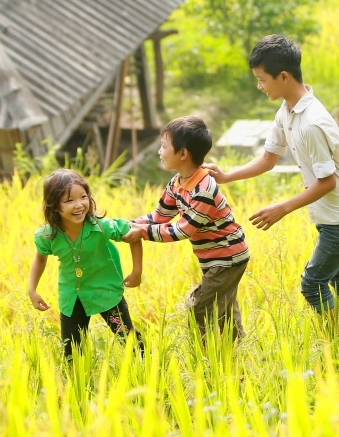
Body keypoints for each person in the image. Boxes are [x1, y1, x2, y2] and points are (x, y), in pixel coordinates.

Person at [204, 35, 339, 330]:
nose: (259, 86)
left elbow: (327, 182)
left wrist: (282, 208)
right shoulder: (287, 110)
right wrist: (227, 175)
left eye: (261, 79)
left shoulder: (313, 122)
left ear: (283, 76)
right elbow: (268, 159)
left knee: (313, 283)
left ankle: (337, 344)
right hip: (337, 214)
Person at [123, 116, 250, 341]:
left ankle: (205, 357)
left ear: (183, 154)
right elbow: (159, 216)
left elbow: (184, 230)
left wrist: (142, 232)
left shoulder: (204, 188)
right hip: (215, 258)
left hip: (227, 257)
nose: (159, 152)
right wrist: (127, 224)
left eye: (163, 147)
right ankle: (236, 355)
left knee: (198, 307)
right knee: (224, 310)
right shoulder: (178, 182)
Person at [28, 169, 144, 358]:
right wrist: (32, 289)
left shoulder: (101, 227)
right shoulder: (48, 236)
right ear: (54, 206)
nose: (79, 205)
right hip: (72, 298)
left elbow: (135, 234)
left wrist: (137, 271)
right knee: (72, 352)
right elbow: (40, 258)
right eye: (69, 200)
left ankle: (150, 369)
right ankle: (77, 384)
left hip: (106, 293)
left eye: (83, 197)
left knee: (129, 340)